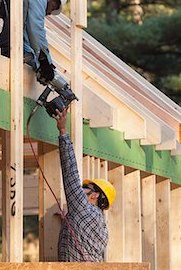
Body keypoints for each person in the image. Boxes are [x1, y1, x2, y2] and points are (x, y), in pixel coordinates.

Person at [54, 108, 116, 262]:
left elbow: (70, 174)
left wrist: (63, 132)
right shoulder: (99, 223)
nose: (81, 190)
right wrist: (67, 221)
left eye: (85, 189)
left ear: (94, 195)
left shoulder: (84, 210)